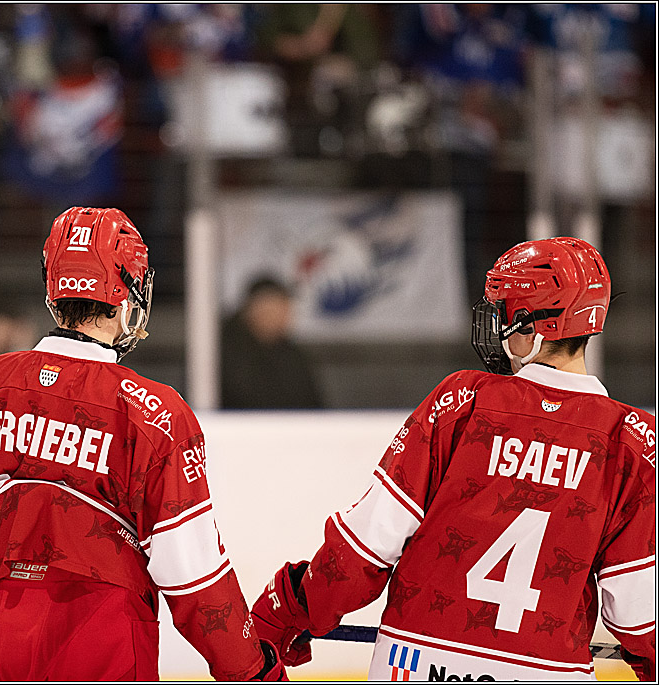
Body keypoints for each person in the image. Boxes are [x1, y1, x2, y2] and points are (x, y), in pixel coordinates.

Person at [0, 207, 287, 681]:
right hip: (94, 648)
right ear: (128, 290)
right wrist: (251, 669)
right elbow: (195, 579)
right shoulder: (154, 414)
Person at [250, 237, 655, 681]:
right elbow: (637, 615)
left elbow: (366, 546)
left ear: (531, 325)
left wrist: (299, 604)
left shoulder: (463, 400)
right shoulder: (632, 442)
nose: (495, 322)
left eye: (504, 310)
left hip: (417, 665)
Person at [221, 277, 322, 409]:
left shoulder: (289, 353)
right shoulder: (230, 353)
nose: (286, 316)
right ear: (256, 309)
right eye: (278, 307)